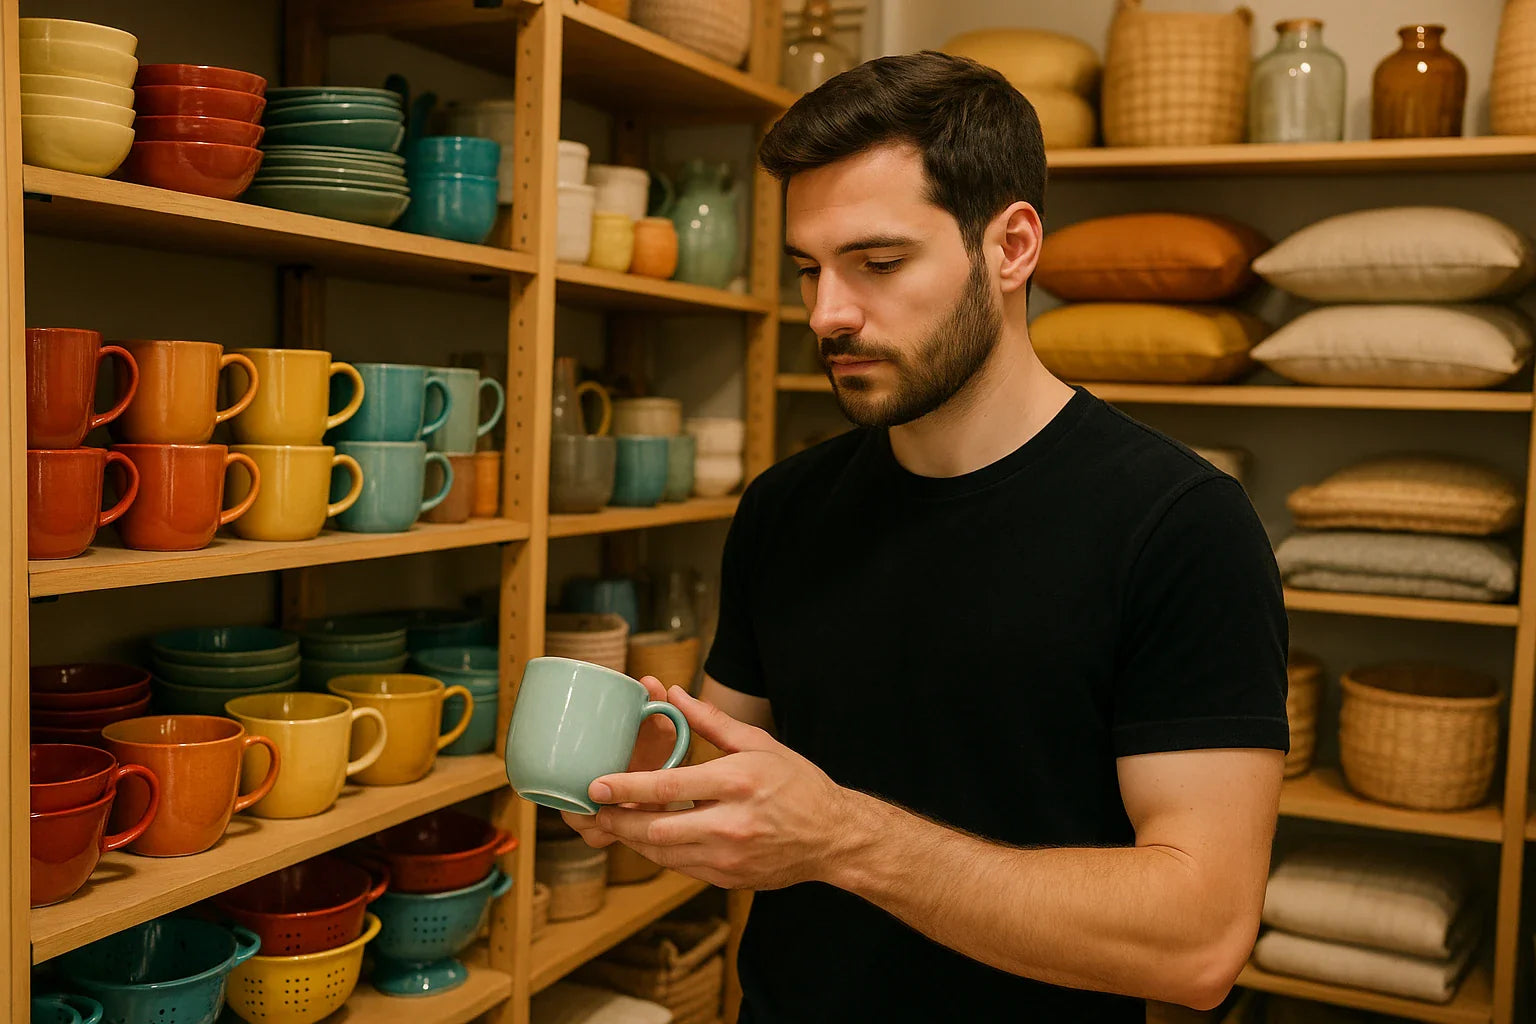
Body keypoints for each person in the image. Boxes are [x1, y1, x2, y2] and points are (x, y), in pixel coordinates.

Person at [561, 50, 1288, 1021]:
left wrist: (844, 838)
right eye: (810, 271)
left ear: (1013, 246)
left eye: (878, 263)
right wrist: (640, 781)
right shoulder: (785, 507)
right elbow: (733, 769)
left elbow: (1200, 940)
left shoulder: (1180, 525)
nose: (827, 315)